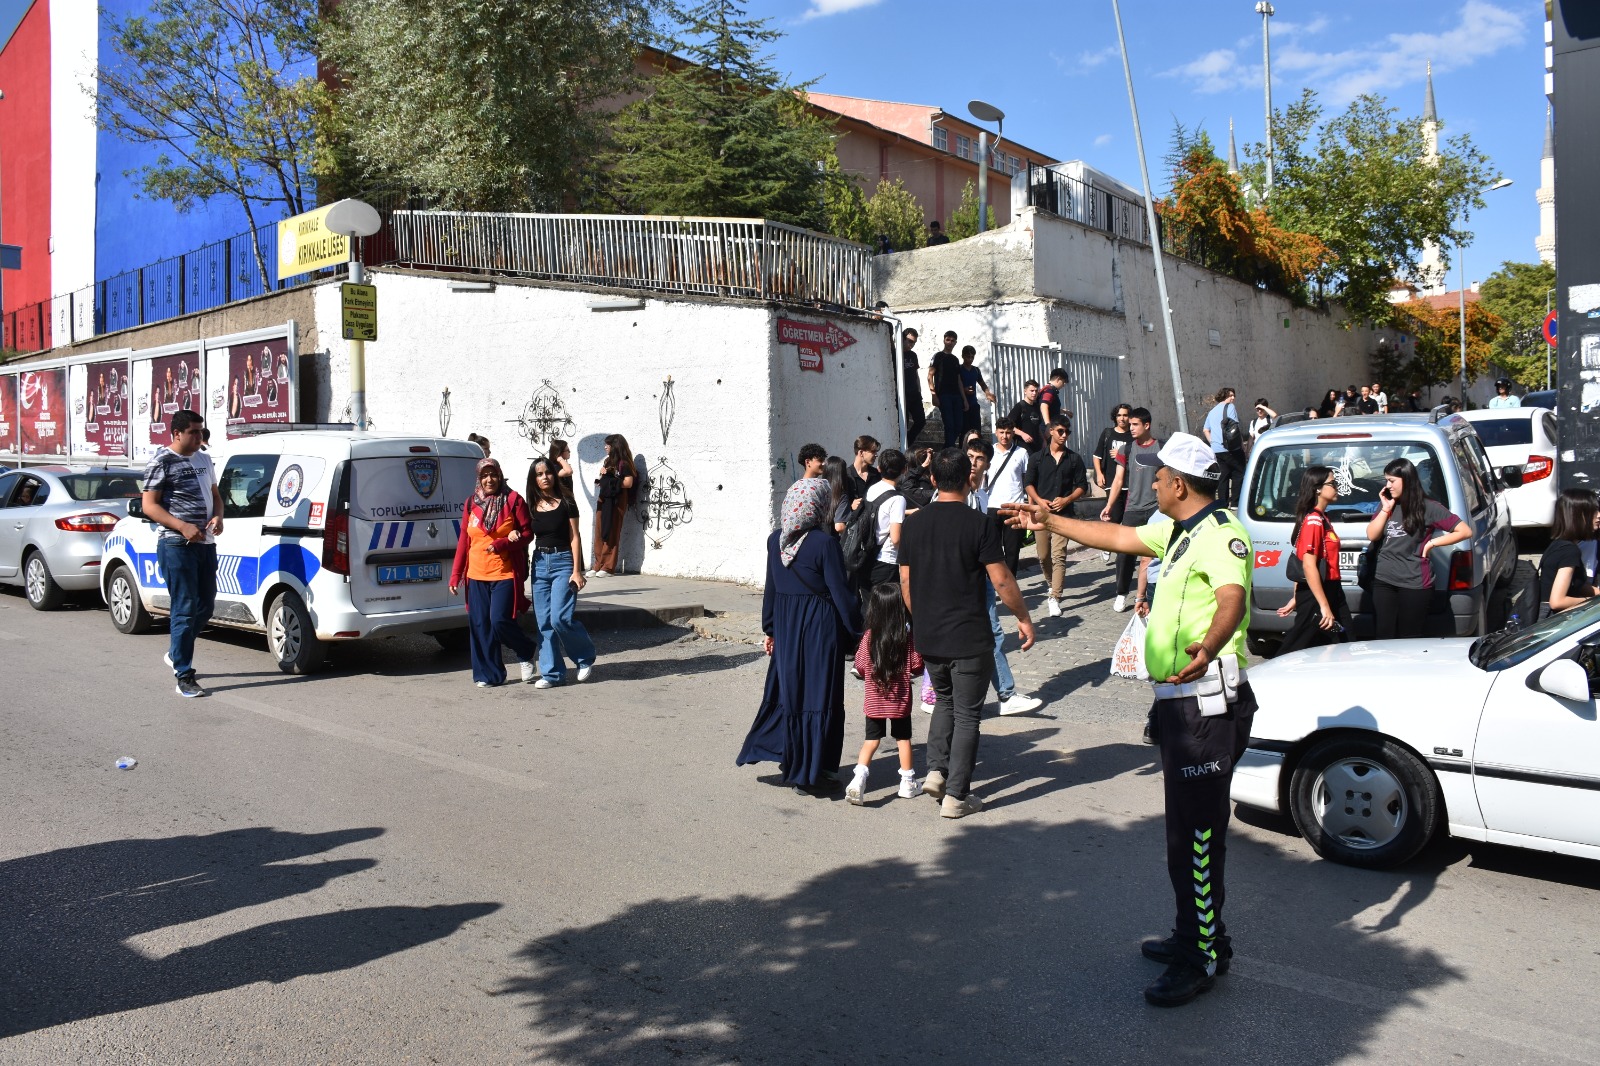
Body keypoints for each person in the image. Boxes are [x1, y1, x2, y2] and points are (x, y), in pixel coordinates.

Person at [1000, 433, 1256, 1007]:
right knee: (1183, 834)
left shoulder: (1221, 534)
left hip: (1205, 705)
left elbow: (1233, 598)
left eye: (1160, 476)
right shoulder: (1178, 529)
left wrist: (1210, 645)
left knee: (1195, 837)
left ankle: (1202, 955)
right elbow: (1115, 535)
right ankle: (1199, 933)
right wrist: (1049, 521)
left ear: (1180, 484)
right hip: (1179, 704)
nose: (1154, 482)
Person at [899, 448, 1036, 819]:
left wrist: (923, 617)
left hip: (930, 633)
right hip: (969, 636)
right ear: (969, 479)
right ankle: (956, 795)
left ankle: (936, 770)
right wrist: (1023, 617)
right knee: (967, 714)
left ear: (932, 480)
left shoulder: (913, 524)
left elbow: (906, 582)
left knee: (944, 702)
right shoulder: (978, 525)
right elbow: (1002, 578)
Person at [738, 479, 862, 795]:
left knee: (792, 694)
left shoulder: (775, 541)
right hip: (820, 629)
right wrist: (859, 630)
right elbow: (840, 593)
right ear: (818, 507)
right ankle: (814, 771)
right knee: (820, 697)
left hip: (788, 627)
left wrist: (771, 629)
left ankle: (793, 763)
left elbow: (772, 589)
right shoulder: (824, 543)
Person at [140, 409, 224, 698]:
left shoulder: (203, 458)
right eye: (193, 432)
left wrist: (219, 517)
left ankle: (176, 650)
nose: (199, 437)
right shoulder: (161, 461)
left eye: (201, 432)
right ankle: (185, 676)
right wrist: (182, 526)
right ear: (176, 433)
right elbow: (149, 506)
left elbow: (215, 495)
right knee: (185, 608)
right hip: (176, 544)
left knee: (206, 607)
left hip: (206, 543)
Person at [965, 437, 1046, 717]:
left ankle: (1005, 695)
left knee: (991, 634)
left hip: (979, 577)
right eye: (970, 457)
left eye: (978, 459)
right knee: (990, 633)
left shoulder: (981, 495)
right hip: (969, 577)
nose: (973, 464)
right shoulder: (958, 493)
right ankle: (1006, 695)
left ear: (988, 464)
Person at [450, 458, 538, 688]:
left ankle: (526, 650)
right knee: (480, 625)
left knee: (499, 620)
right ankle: (490, 675)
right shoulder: (471, 503)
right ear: (479, 478)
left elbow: (528, 533)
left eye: (493, 475)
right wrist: (456, 574)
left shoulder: (513, 500)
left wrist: (504, 544)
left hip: (504, 573)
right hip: (476, 575)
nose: (490, 479)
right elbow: (463, 541)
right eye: (485, 476)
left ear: (500, 475)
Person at [1364, 458, 1472, 639]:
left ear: (1406, 479)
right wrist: (1385, 509)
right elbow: (1372, 535)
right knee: (1383, 635)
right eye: (1386, 480)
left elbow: (1465, 531)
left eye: (1392, 480)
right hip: (1384, 579)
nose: (1387, 485)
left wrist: (1433, 543)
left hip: (1414, 582)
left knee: (1409, 636)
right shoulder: (1388, 505)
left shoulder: (1428, 507)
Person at [846, 583, 926, 805]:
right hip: (900, 701)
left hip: (874, 701)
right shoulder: (905, 638)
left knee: (871, 740)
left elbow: (860, 666)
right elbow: (917, 665)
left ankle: (858, 780)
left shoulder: (869, 636)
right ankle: (908, 782)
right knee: (903, 739)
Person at [526, 457, 597, 687]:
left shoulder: (567, 500)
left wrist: (577, 571)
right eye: (539, 474)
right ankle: (552, 674)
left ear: (554, 474)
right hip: (539, 563)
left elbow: (575, 537)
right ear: (533, 479)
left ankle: (584, 658)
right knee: (543, 622)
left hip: (563, 561)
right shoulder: (531, 504)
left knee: (560, 618)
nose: (544, 477)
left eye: (547, 472)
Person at [1274, 466, 1352, 654]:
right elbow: (1308, 565)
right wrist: (1321, 605)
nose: (1337, 487)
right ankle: (1267, 679)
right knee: (1296, 645)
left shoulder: (1322, 518)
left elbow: (1304, 564)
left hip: (1331, 590)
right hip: (1317, 595)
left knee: (1344, 642)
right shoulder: (1313, 521)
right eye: (1332, 483)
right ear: (1317, 488)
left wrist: (1296, 596)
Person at [1025, 420, 1088, 617]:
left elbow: (1082, 486)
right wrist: (1038, 501)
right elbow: (1028, 484)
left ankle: (1055, 596)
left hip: (1064, 515)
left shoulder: (1074, 459)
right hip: (1042, 514)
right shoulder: (1036, 458)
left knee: (1058, 555)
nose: (1064, 435)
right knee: (1043, 556)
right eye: (1060, 431)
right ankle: (1052, 584)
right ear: (1050, 431)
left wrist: (1067, 499)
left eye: (1067, 432)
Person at [1102, 407, 1162, 612]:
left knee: (1153, 555)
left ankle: (1147, 593)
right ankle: (1121, 593)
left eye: (1135, 424)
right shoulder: (1126, 449)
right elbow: (1118, 480)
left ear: (1147, 425)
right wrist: (1109, 505)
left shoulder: (1161, 448)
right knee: (1124, 554)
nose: (1131, 427)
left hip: (1156, 509)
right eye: (1131, 424)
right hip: (1133, 508)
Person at [1538, 489, 1600, 618]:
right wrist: (1592, 603)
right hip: (1552, 622)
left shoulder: (1559, 544)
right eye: (1593, 511)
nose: (1599, 515)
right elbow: (1557, 601)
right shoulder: (1570, 551)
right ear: (1577, 516)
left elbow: (1577, 585)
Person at [985, 418, 1030, 576]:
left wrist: (1029, 507)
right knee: (990, 549)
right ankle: (992, 582)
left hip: (1014, 507)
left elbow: (1027, 482)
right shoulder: (988, 452)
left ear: (1013, 433)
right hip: (992, 506)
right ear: (996, 432)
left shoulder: (1022, 453)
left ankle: (1010, 583)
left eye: (1008, 433)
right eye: (1002, 432)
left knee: (1012, 550)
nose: (1005, 436)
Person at [590, 433, 636, 576]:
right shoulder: (607, 461)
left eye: (607, 445)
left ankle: (608, 567)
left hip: (616, 500)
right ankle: (598, 564)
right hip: (604, 498)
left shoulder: (624, 463)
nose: (605, 447)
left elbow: (628, 483)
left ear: (614, 446)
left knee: (612, 530)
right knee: (599, 530)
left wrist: (611, 480)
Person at [863, 449, 909, 588]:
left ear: (879, 468)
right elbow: (895, 539)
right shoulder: (898, 499)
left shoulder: (872, 489)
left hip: (868, 557)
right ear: (904, 470)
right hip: (886, 560)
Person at [1201, 387, 1245, 508]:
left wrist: (1213, 442)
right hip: (1231, 448)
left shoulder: (1212, 411)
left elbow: (1205, 430)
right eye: (1230, 395)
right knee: (1239, 473)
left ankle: (1222, 504)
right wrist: (1241, 445)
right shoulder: (1230, 407)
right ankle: (1235, 502)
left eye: (1234, 395)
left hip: (1217, 450)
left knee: (1223, 477)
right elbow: (1234, 428)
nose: (1233, 398)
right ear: (1224, 396)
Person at [928, 331, 967, 448]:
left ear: (956, 342)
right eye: (948, 340)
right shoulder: (938, 356)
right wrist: (934, 395)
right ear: (944, 340)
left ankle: (947, 448)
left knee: (959, 425)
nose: (950, 342)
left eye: (952, 340)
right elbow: (930, 376)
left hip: (956, 396)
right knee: (949, 425)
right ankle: (949, 450)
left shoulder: (955, 359)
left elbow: (959, 380)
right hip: (944, 396)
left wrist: (964, 399)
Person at [958, 346, 995, 438]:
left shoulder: (976, 370)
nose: (970, 359)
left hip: (974, 404)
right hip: (962, 405)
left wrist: (987, 393)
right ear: (963, 356)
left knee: (976, 431)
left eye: (972, 357)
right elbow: (954, 385)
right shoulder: (958, 369)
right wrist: (964, 390)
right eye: (968, 356)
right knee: (964, 432)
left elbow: (982, 383)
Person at [900, 329, 927, 445]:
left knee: (921, 421)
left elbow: (916, 374)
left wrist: (919, 390)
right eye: (909, 341)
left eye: (914, 343)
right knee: (903, 423)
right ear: (903, 339)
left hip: (914, 394)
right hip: (902, 395)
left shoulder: (913, 355)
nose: (911, 345)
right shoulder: (895, 353)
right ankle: (903, 445)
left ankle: (908, 442)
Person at [1006, 380, 1046, 454]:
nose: (1034, 393)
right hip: (1023, 447)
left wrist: (1043, 441)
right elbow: (1008, 426)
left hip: (1037, 447)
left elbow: (1037, 426)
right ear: (1025, 391)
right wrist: (1022, 434)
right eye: (1031, 391)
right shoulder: (1020, 406)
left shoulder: (1037, 407)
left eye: (1036, 391)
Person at [823, 455, 858, 534]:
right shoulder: (841, 495)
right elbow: (839, 527)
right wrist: (853, 535)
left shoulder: (819, 491)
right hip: (831, 541)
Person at [845, 435, 881, 501]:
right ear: (861, 452)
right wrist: (850, 506)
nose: (876, 455)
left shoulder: (876, 474)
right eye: (873, 451)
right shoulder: (846, 475)